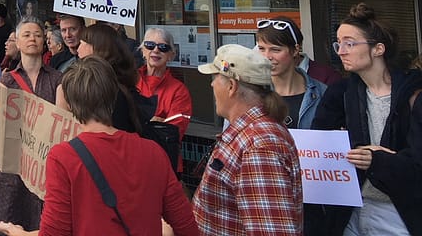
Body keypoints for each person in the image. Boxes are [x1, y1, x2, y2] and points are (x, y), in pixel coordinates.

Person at [0, 57, 196, 236]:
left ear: (70, 103)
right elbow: (186, 226)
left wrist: (18, 232)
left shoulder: (64, 157)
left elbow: (55, 232)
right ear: (113, 97)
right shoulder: (153, 152)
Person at [307, 4, 422, 236]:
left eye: (349, 43)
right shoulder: (340, 93)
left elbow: (416, 162)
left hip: (399, 210)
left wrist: (376, 158)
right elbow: (318, 145)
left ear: (378, 49)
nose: (341, 51)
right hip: (350, 209)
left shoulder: (414, 93)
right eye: (338, 43)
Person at [193, 44, 302, 236]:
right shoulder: (251, 135)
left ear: (231, 86)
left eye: (215, 77)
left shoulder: (259, 146)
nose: (211, 84)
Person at [0, 19, 62, 231]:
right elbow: (3, 120)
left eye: (37, 34)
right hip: (15, 160)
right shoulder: (8, 80)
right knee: (9, 216)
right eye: (26, 35)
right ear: (17, 42)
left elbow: (61, 118)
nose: (32, 39)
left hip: (45, 160)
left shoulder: (57, 79)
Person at [254, 17, 326, 130]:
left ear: (296, 50)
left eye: (275, 50)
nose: (267, 57)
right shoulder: (248, 93)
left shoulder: (322, 93)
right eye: (262, 49)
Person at [136, 27, 193, 169]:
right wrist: (154, 121)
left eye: (163, 47)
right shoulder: (129, 80)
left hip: (164, 162)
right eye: (150, 45)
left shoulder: (179, 91)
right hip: (132, 160)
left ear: (171, 55)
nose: (155, 50)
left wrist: (137, 122)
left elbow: (171, 133)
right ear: (143, 51)